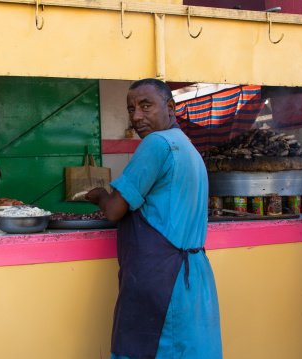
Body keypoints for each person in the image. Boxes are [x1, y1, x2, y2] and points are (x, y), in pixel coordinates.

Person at [86, 78, 222, 359]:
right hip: (192, 279)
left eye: (146, 106)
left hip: (159, 278)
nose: (136, 116)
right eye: (131, 109)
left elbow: (114, 209)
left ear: (170, 107)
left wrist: (99, 195)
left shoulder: (156, 144)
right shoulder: (188, 148)